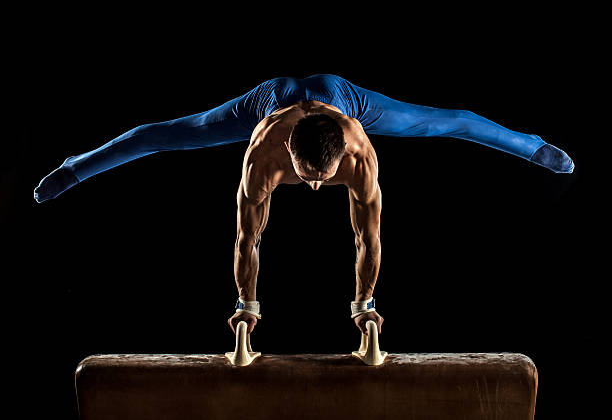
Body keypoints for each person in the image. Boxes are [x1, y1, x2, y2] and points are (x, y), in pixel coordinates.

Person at [33, 74, 574, 337]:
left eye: (324, 178)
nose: (314, 189)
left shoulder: (360, 153)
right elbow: (248, 238)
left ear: (341, 160)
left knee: (451, 120)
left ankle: (533, 146)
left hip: (344, 100)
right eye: (306, 177)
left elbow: (368, 238)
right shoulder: (264, 154)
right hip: (271, 102)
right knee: (166, 134)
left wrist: (364, 304)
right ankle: (77, 164)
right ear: (287, 156)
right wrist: (248, 304)